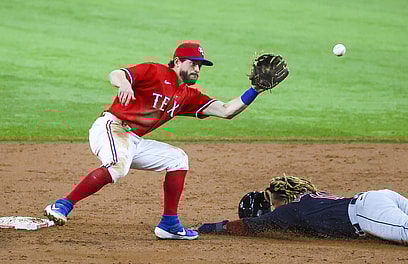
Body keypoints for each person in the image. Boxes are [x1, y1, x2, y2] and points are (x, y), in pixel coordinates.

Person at [43, 42, 287, 240]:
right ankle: (62, 205)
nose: (197, 70)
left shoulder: (188, 94)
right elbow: (116, 74)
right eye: (193, 64)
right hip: (111, 126)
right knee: (118, 167)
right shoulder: (155, 71)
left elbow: (225, 110)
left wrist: (255, 90)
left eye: (201, 66)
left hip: (133, 139)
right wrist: (126, 83)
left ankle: (169, 223)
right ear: (178, 61)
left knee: (177, 158)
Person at [198, 175, 408, 244]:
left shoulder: (289, 212)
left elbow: (249, 226)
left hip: (367, 213)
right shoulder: (308, 199)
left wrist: (206, 227)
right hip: (378, 198)